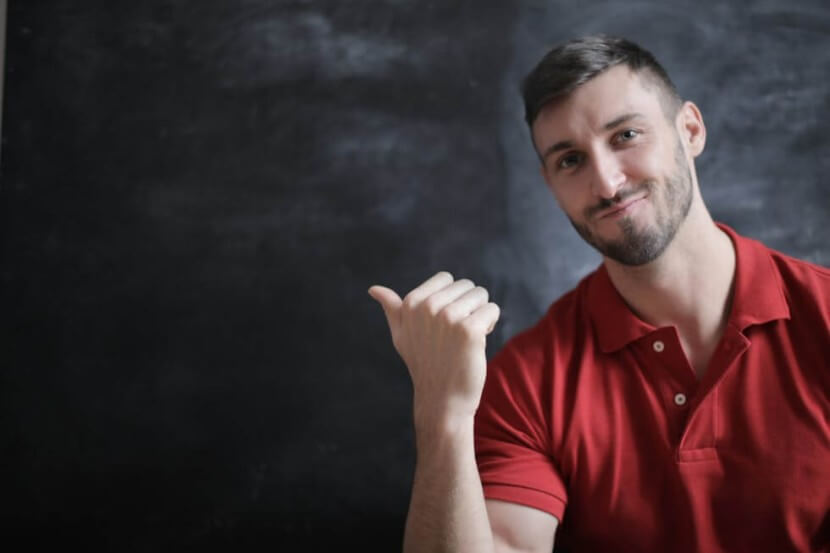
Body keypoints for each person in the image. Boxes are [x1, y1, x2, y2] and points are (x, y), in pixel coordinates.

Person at [368, 35, 830, 553]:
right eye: (570, 161)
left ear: (690, 130)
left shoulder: (824, 317)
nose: (607, 184)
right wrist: (442, 418)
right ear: (548, 181)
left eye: (626, 135)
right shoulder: (528, 381)